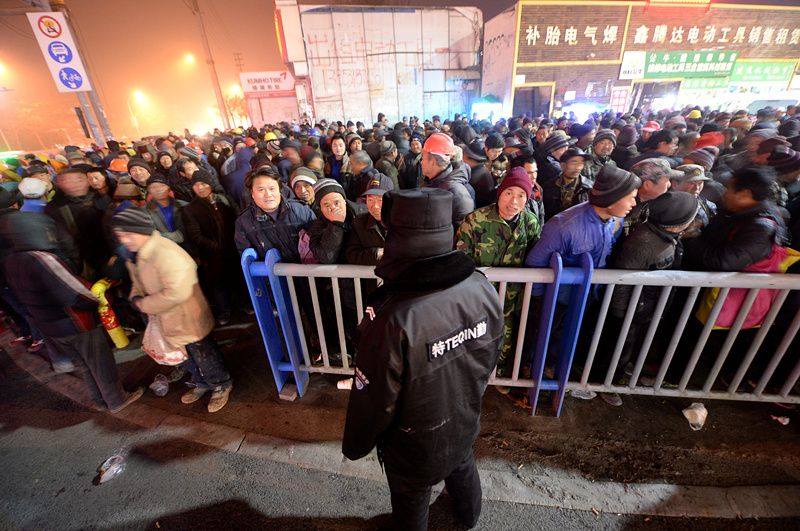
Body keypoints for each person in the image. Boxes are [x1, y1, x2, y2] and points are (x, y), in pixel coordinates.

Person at [342, 188, 504, 531]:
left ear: (396, 236)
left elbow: (375, 397)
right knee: (461, 463)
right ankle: (469, 517)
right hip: (463, 415)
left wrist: (356, 443)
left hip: (412, 440)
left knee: (412, 496)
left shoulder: (391, 315)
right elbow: (492, 350)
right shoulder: (480, 285)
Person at [5, 217, 144, 413]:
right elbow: (74, 291)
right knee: (100, 363)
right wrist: (98, 301)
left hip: (49, 326)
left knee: (84, 365)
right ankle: (117, 400)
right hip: (74, 322)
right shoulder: (44, 259)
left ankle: (100, 400)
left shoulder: (11, 261)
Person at [112, 207, 233, 413]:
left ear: (141, 229)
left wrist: (142, 304)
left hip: (187, 317)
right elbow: (138, 281)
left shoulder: (165, 252)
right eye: (120, 235)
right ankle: (201, 383)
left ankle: (221, 384)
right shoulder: (137, 254)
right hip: (167, 318)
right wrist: (135, 295)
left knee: (203, 353)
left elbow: (177, 293)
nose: (124, 240)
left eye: (128, 234)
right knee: (186, 355)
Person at [605, 191, 699, 402]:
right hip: (631, 310)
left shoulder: (666, 236)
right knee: (619, 346)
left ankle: (619, 371)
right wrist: (620, 313)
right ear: (677, 224)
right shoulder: (643, 243)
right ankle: (607, 383)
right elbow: (622, 281)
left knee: (630, 345)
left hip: (646, 307)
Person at [456, 167, 541, 380]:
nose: (514, 201)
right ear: (500, 193)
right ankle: (473, 377)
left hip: (512, 299)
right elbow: (460, 260)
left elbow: (535, 258)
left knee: (506, 339)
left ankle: (499, 375)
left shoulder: (530, 223)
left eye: (521, 195)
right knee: (475, 338)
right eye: (509, 193)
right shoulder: (475, 220)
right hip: (479, 298)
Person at [684, 166, 790, 272]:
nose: (724, 194)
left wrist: (691, 238)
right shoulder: (737, 211)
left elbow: (723, 262)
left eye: (728, 189)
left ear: (745, 195)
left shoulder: (760, 230)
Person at [182, 170, 241, 326]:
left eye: (203, 183)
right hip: (212, 255)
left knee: (239, 279)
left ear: (211, 184)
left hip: (234, 249)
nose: (200, 187)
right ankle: (224, 311)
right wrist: (215, 247)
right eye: (196, 185)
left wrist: (237, 241)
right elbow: (195, 235)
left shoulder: (225, 200)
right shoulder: (190, 209)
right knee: (219, 285)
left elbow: (238, 219)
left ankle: (245, 304)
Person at [234, 166, 316, 262]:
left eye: (272, 188)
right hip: (271, 272)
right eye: (261, 190)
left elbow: (318, 243)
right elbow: (248, 260)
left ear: (280, 190)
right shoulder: (244, 222)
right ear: (252, 193)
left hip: (306, 270)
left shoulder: (301, 210)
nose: (268, 194)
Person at [421, 133, 474, 226]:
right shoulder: (431, 180)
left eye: (423, 158)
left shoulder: (458, 195)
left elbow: (463, 230)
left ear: (433, 162)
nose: (421, 162)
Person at [622, 158, 681, 238]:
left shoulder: (650, 203)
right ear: (647, 185)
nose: (669, 185)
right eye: (666, 180)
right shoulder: (624, 208)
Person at [541, 147, 593, 221]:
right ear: (563, 165)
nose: (578, 167)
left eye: (581, 163)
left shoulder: (589, 188)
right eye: (574, 163)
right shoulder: (549, 187)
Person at [671, 164, 717, 238]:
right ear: (675, 184)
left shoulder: (708, 207)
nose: (696, 188)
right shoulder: (662, 206)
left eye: (700, 183)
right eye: (691, 183)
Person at [145, 174, 186, 244]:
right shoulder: (145, 211)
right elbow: (150, 234)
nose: (158, 189)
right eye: (153, 187)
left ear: (168, 188)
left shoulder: (184, 205)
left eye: (162, 186)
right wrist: (178, 236)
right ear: (149, 191)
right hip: (164, 247)